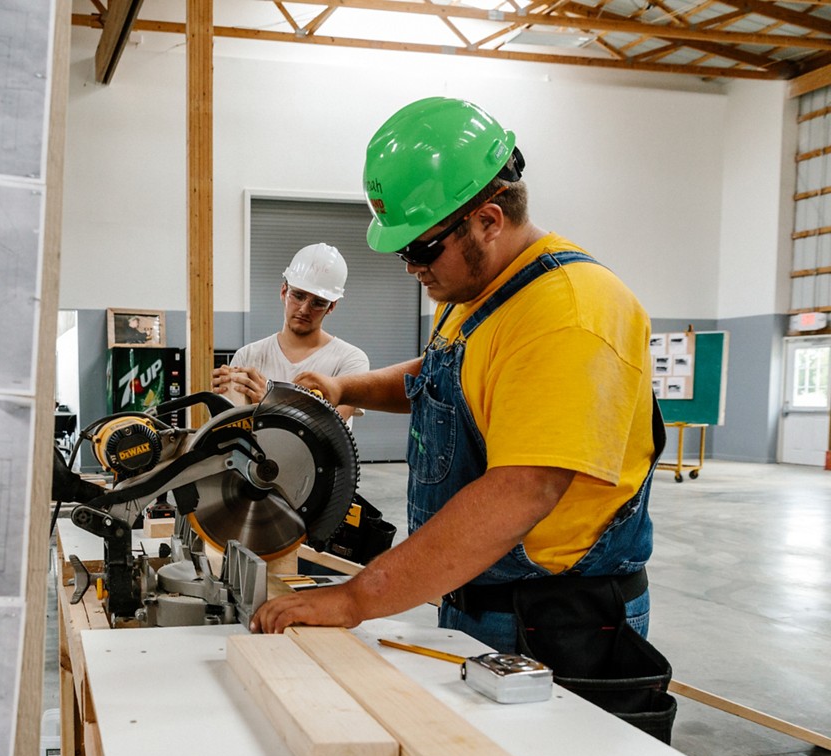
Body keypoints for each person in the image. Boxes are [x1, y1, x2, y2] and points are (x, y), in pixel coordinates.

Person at [252, 97, 665, 658]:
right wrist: (346, 388)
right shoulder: (479, 292)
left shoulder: (569, 312)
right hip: (477, 595)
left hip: (556, 623)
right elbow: (442, 375)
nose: (411, 268)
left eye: (421, 248)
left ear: (488, 221)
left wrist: (357, 598)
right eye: (402, 252)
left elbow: (522, 489)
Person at [212, 243, 369, 422]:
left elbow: (333, 431)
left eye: (317, 303)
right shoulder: (249, 356)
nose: (304, 309)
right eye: (299, 296)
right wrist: (220, 400)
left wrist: (271, 400)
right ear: (284, 291)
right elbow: (230, 431)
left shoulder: (351, 360)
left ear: (331, 306)